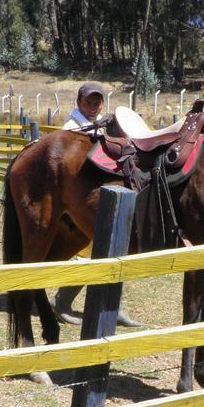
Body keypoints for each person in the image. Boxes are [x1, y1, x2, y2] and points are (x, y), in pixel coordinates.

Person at [53, 81, 144, 329]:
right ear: (79, 103)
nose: (93, 107)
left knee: (115, 249)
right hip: (81, 197)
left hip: (102, 193)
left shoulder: (105, 124)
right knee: (87, 253)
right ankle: (63, 301)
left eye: (97, 102)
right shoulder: (72, 128)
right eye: (88, 102)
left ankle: (112, 306)